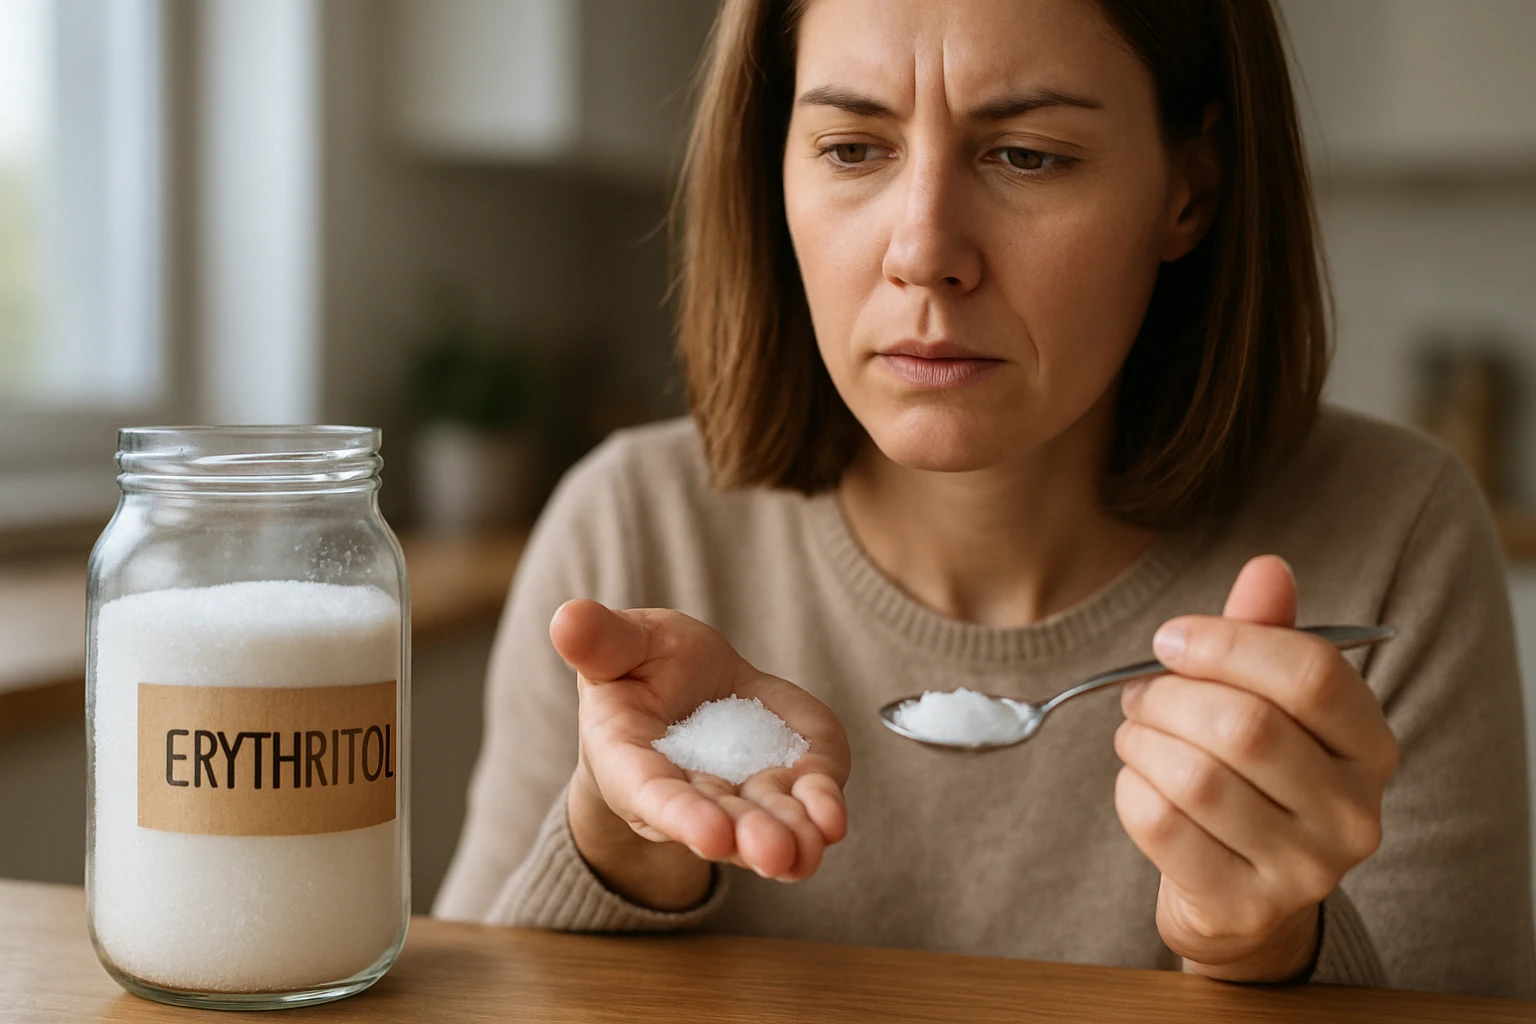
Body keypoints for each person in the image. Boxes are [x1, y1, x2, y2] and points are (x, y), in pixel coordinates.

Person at [433, 0, 1535, 997]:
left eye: (1027, 154)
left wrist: (1262, 947)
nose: (923, 252)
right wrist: (625, 854)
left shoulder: (1395, 536)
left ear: (1189, 190)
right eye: (852, 148)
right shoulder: (631, 531)